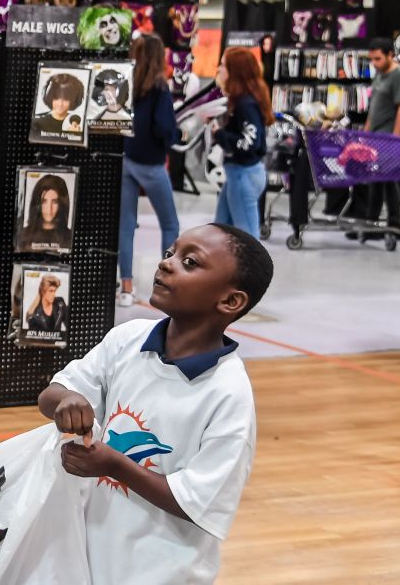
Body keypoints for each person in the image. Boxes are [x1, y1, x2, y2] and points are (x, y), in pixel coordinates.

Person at [38, 223, 272, 583]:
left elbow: (197, 504)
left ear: (230, 301)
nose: (166, 264)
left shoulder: (228, 393)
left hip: (161, 571)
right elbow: (52, 395)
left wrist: (113, 464)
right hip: (89, 556)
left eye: (190, 262)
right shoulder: (128, 338)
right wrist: (68, 399)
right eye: (169, 253)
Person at [118, 34, 180, 307]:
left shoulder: (124, 83)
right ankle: (167, 283)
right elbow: (164, 128)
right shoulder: (159, 88)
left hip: (125, 159)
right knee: (170, 224)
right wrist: (179, 132)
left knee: (126, 226)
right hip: (152, 164)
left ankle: (126, 288)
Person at [350, 38, 400, 240]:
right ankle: (372, 223)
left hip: (390, 138)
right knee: (377, 180)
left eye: (378, 58)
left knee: (388, 179)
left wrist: (396, 137)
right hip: (375, 137)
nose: (374, 63)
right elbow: (374, 108)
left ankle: (394, 224)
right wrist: (365, 134)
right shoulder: (379, 75)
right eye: (372, 59)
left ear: (390, 55)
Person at [212, 48, 270, 237]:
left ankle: (253, 269)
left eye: (223, 65)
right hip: (239, 174)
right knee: (220, 231)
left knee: (248, 238)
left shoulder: (245, 103)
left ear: (234, 71)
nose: (218, 69)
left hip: (243, 174)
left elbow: (249, 143)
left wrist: (220, 134)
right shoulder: (244, 100)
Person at [18, 174, 73, 252]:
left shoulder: (70, 237)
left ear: (62, 205)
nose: (49, 208)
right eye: (44, 201)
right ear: (37, 203)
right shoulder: (23, 235)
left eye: (55, 202)